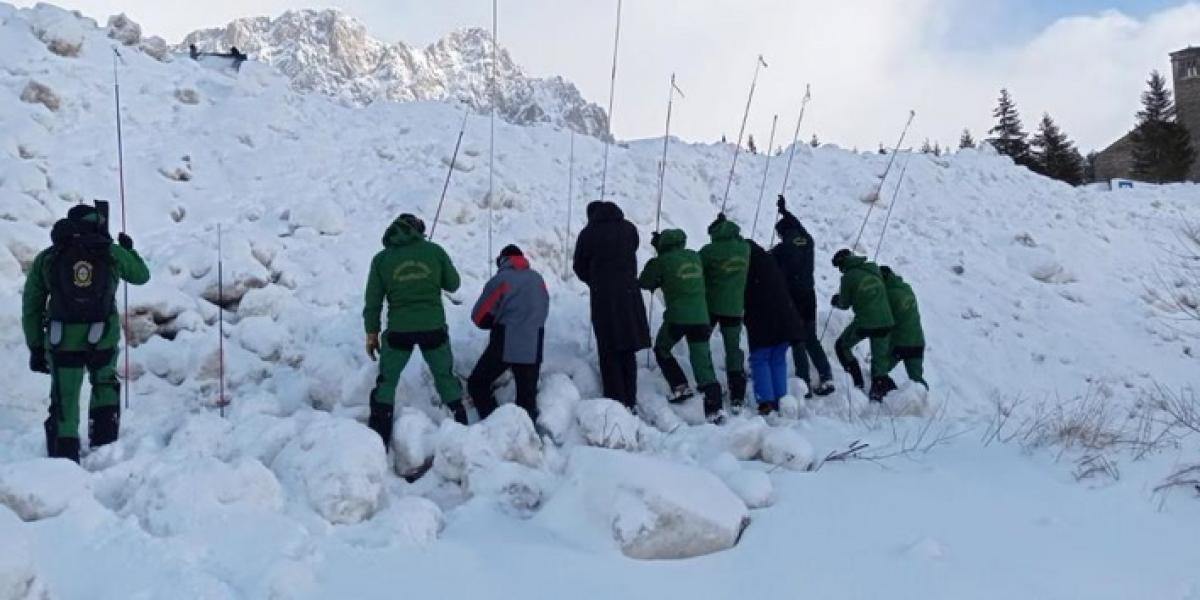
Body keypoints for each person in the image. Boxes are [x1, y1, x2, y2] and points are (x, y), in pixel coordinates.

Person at [22, 203, 150, 462]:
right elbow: (141, 276)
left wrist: (36, 345)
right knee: (104, 384)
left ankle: (64, 457)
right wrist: (128, 250)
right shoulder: (110, 252)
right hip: (102, 335)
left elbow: (32, 306)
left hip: (62, 339)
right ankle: (104, 447)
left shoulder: (49, 256)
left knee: (64, 396)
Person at [363, 213, 466, 449]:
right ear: (418, 230)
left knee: (387, 381)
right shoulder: (434, 251)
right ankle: (460, 425)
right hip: (433, 328)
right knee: (444, 376)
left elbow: (373, 301)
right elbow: (453, 284)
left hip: (399, 331)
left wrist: (372, 333)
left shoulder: (381, 260)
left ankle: (379, 438)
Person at [573, 201, 651, 410]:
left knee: (608, 350)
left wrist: (595, 279)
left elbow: (578, 266)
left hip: (604, 298)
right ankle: (631, 399)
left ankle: (616, 401)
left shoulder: (589, 233)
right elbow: (633, 246)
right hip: (629, 295)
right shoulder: (628, 228)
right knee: (627, 348)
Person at [638, 229, 721, 417]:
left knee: (661, 348)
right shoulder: (695, 257)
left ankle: (680, 386)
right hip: (701, 317)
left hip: (678, 317)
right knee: (701, 360)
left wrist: (658, 256)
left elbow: (644, 282)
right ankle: (714, 405)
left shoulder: (661, 261)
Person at [468, 245, 549, 423]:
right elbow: (543, 308)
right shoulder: (538, 279)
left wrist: (494, 322)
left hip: (506, 342)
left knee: (477, 383)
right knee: (527, 402)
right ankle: (528, 440)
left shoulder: (501, 279)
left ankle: (494, 424)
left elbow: (478, 315)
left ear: (502, 260)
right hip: (534, 343)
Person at [771, 196, 834, 397]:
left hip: (793, 298)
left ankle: (804, 383)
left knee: (797, 339)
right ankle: (826, 376)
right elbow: (797, 225)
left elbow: (768, 265)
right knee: (811, 338)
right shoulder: (808, 241)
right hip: (809, 295)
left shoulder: (780, 250)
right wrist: (785, 211)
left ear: (781, 233)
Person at [743, 240, 804, 416]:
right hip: (786, 319)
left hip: (763, 320)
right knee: (777, 358)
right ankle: (781, 399)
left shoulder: (749, 268)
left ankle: (766, 402)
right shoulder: (770, 262)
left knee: (760, 358)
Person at [830, 249, 896, 402]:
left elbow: (845, 304)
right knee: (879, 359)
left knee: (842, 346)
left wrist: (836, 301)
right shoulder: (873, 268)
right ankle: (880, 389)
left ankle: (856, 383)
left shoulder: (848, 277)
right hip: (886, 320)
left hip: (866, 322)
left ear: (841, 263)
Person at [699, 213, 750, 408]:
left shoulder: (709, 251)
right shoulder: (744, 248)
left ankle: (709, 383)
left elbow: (698, 270)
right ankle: (737, 392)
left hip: (711, 306)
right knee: (733, 349)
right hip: (735, 307)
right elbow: (739, 238)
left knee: (702, 344)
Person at [879, 266, 927, 390]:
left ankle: (886, 394)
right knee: (917, 379)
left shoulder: (887, 295)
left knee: (880, 370)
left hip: (900, 343)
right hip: (917, 341)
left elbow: (882, 318)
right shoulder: (906, 288)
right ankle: (926, 403)